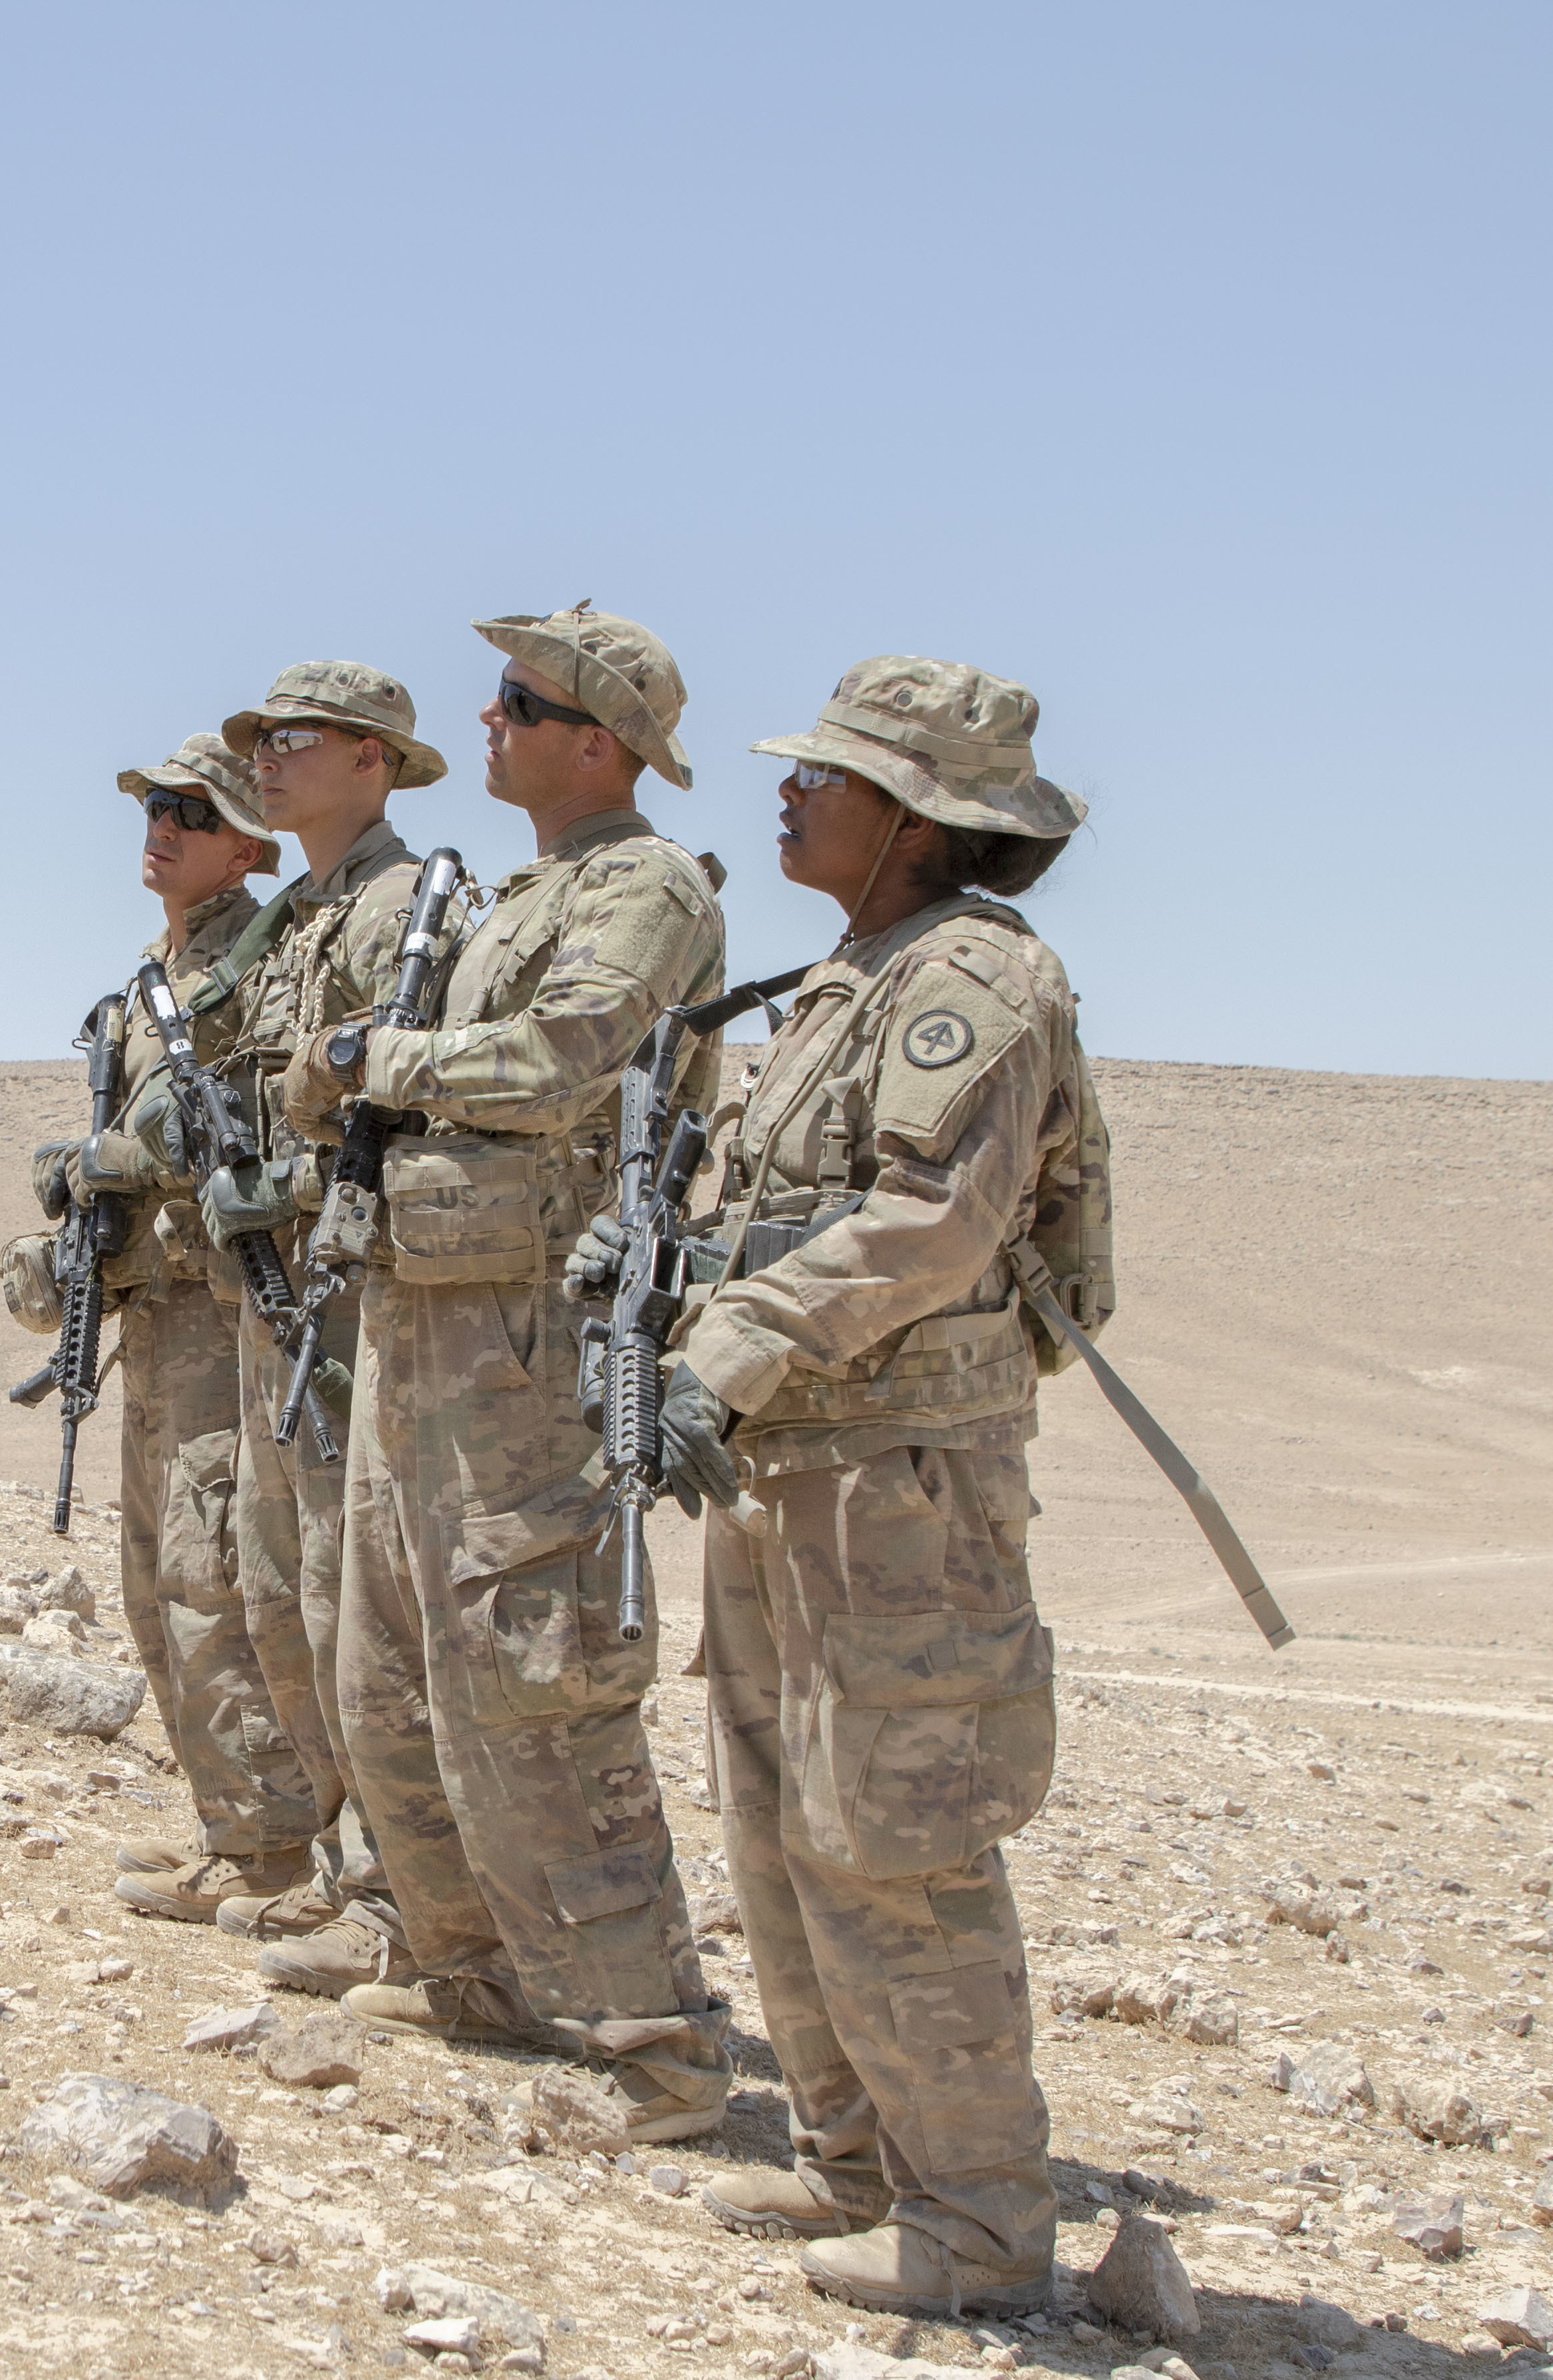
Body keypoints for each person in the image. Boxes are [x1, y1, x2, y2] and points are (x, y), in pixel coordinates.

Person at [623, 656, 1092, 2313]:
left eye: (832, 775)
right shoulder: (849, 977)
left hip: (898, 1477)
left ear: (919, 819)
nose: (792, 790)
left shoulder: (974, 979)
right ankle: (850, 2163)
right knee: (775, 1814)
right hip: (796, 1459)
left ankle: (974, 2223)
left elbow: (934, 1229)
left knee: (894, 1829)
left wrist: (732, 1342)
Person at [281, 604, 731, 2138]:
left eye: (517, 702)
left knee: (535, 1686)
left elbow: (557, 1065)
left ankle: (651, 2047)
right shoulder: (508, 896)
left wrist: (377, 1064)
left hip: (534, 1333)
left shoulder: (644, 889)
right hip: (423, 1316)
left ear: (595, 740)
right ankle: (472, 1967)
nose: (488, 722)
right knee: (388, 1666)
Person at [144, 663, 436, 1993]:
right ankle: (328, 1871)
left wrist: (288, 1186)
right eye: (251, 742)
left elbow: (394, 1115)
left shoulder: (396, 912)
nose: (260, 759)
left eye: (290, 741)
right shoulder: (305, 924)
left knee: (341, 1600)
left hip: (338, 1297)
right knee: (274, 1594)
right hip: (262, 1296)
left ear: (371, 759)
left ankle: (387, 1894)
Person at [10, 735, 327, 1925]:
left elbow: (253, 1126)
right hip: (157, 1306)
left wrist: (132, 1162)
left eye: (192, 812)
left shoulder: (259, 967)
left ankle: (274, 1845)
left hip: (219, 1302)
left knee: (213, 1574)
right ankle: (227, 1826)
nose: (162, 827)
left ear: (248, 843)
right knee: (153, 1581)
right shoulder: (154, 977)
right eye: (153, 807)